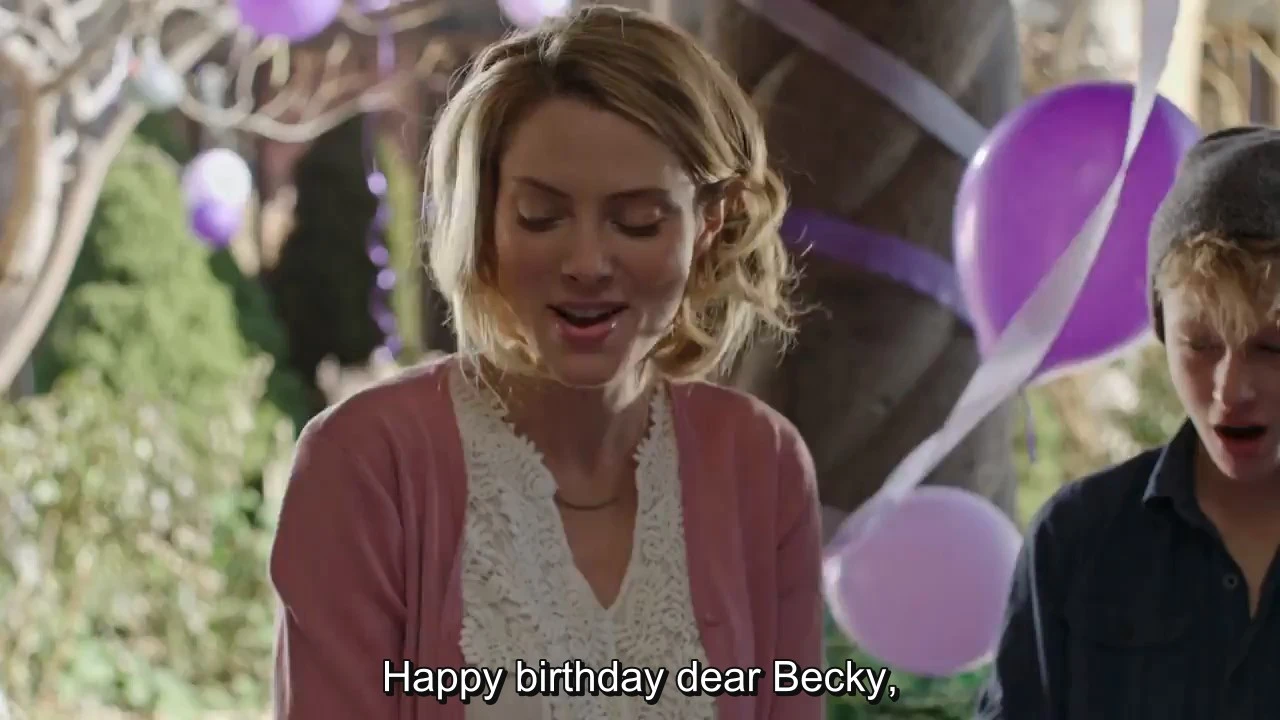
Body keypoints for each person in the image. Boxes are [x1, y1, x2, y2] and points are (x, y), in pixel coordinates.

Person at [268, 6, 824, 720]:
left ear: (707, 225)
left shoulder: (763, 464)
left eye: (638, 221)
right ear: (487, 220)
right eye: (540, 215)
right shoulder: (365, 464)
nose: (586, 263)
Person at [975, 125, 1280, 719]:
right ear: (1163, 331)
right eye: (1199, 345)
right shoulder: (1076, 539)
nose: (1230, 389)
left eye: (1272, 348)